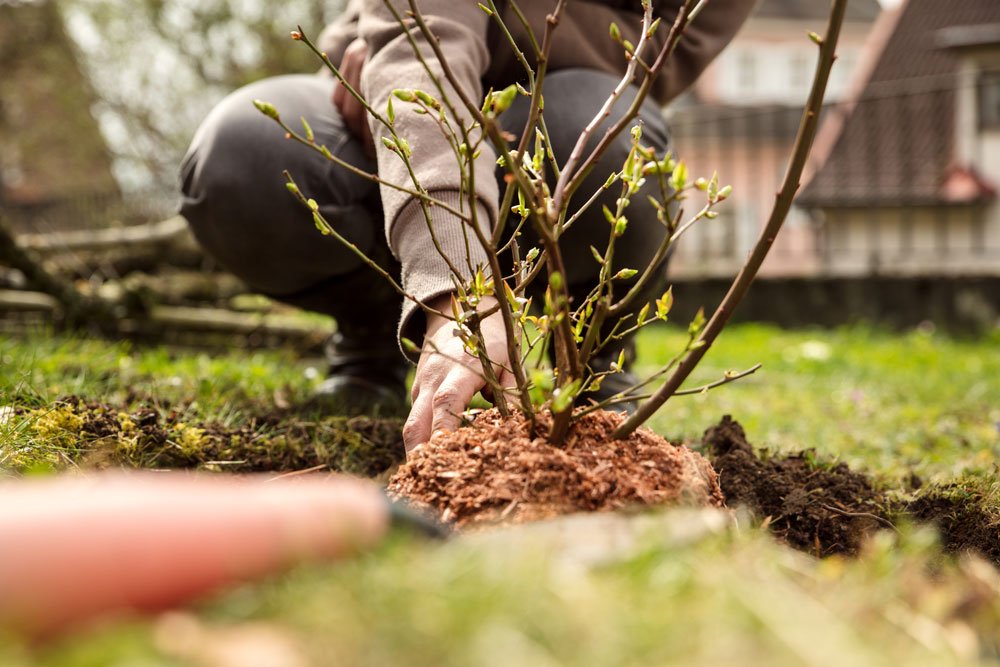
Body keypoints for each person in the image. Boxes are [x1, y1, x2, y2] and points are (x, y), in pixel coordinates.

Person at [179, 0, 757, 453]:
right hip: (396, 65)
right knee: (241, 156)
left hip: (570, 96)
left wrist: (490, 36)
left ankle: (588, 353)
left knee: (604, 143)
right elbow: (422, 41)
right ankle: (381, 331)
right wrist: (455, 290)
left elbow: (661, 48)